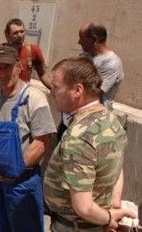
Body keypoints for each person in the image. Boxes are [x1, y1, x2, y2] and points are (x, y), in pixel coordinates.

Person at [0, 45, 56, 232]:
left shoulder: (34, 97)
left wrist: (14, 170)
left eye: (7, 66)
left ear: (19, 66)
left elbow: (42, 142)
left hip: (22, 185)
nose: (2, 73)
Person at [44, 57, 133, 232]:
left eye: (56, 87)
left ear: (77, 90)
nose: (52, 93)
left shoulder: (78, 136)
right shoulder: (110, 120)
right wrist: (113, 206)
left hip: (75, 226)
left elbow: (83, 207)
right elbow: (117, 167)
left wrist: (109, 218)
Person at [78, 22, 124, 110]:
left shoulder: (111, 63)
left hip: (96, 117)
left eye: (82, 38)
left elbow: (93, 93)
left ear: (94, 39)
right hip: (77, 112)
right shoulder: (85, 56)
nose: (79, 42)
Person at [4, 18, 52, 89]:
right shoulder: (1, 51)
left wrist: (54, 89)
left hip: (23, 93)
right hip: (4, 92)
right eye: (15, 33)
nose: (20, 35)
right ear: (8, 35)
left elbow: (42, 74)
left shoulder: (34, 50)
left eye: (22, 31)